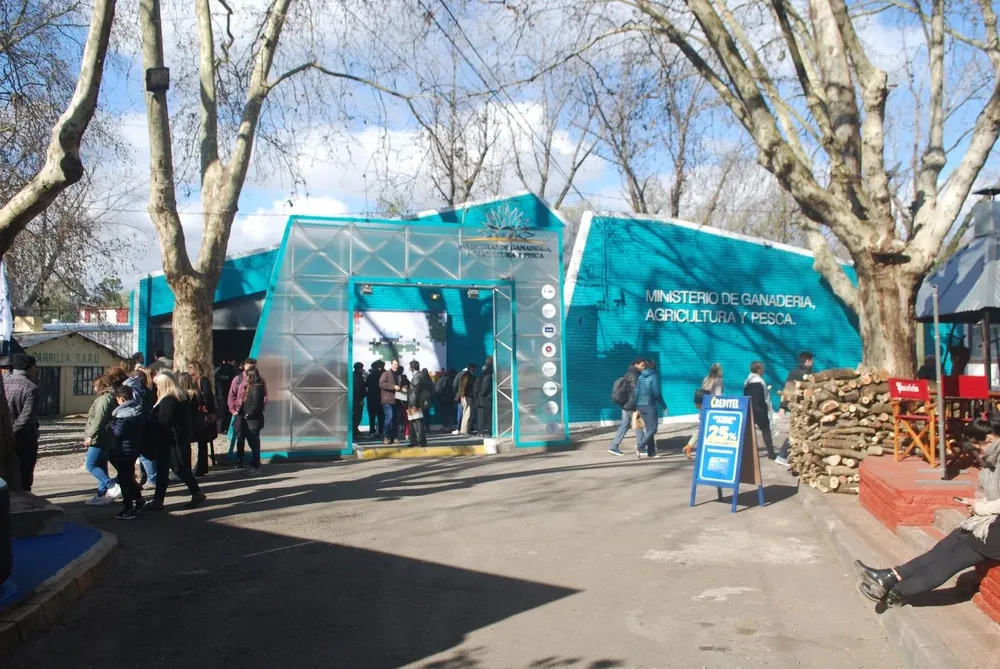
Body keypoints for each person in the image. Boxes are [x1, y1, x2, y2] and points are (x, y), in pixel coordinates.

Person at [856, 417, 1000, 608]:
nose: (977, 451)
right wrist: (977, 502)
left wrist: (981, 508)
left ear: (989, 439)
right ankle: (890, 576)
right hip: (989, 520)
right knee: (944, 547)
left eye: (977, 446)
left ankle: (899, 592)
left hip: (994, 530)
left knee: (952, 559)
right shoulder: (993, 461)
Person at [146, 371, 206, 511]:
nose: (156, 388)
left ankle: (196, 492)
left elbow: (164, 420)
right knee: (164, 469)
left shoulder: (169, 399)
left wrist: (151, 421)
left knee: (177, 468)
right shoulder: (180, 397)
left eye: (157, 385)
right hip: (173, 438)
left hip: (169, 439)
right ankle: (158, 499)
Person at [109, 386, 147, 519]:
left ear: (122, 399)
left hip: (124, 449)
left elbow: (118, 432)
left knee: (124, 479)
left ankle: (128, 508)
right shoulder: (138, 410)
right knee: (128, 477)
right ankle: (139, 499)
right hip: (134, 448)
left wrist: (111, 426)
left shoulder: (122, 414)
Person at [83, 375, 122, 505]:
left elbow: (98, 419)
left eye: (95, 386)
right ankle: (101, 493)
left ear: (101, 386)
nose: (94, 388)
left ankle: (111, 485)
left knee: (91, 464)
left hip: (100, 438)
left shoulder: (104, 399)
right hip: (107, 436)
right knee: (101, 464)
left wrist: (90, 436)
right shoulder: (111, 398)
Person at [775, 352, 816, 466]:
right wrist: (782, 407)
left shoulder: (796, 372)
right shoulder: (802, 374)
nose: (813, 363)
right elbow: (788, 389)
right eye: (812, 361)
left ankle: (792, 457)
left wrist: (783, 406)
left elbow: (787, 389)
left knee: (800, 432)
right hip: (800, 408)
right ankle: (782, 455)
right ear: (807, 361)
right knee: (796, 431)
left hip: (799, 407)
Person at [7, 354, 40, 492]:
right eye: (34, 366)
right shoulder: (31, 388)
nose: (36, 370)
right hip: (24, 437)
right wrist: (12, 432)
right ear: (28, 367)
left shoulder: (3, 382)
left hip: (3, 435)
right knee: (25, 469)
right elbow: (26, 417)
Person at [231, 367, 267, 476]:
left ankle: (255, 466)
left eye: (247, 375)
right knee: (253, 442)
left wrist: (247, 415)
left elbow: (255, 404)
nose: (245, 377)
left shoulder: (256, 387)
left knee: (254, 443)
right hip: (251, 419)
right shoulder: (253, 386)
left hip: (253, 420)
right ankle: (253, 465)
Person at [684, 363, 724, 460]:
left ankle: (689, 446)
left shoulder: (706, 379)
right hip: (713, 407)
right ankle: (692, 447)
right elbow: (718, 395)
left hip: (704, 406)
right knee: (714, 429)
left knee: (703, 429)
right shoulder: (718, 380)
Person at [608, 359, 645, 456]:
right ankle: (642, 447)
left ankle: (613, 446)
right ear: (636, 364)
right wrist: (636, 407)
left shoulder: (628, 374)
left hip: (625, 405)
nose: (643, 367)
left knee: (624, 426)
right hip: (632, 406)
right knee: (638, 425)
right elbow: (635, 394)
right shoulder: (635, 376)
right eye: (642, 365)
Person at [187, 361, 218, 475]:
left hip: (203, 413)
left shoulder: (202, 380)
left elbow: (208, 397)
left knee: (202, 441)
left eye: (191, 367)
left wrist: (211, 412)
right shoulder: (191, 380)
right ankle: (200, 466)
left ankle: (202, 467)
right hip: (196, 414)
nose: (189, 370)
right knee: (200, 440)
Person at [633, 358, 667, 459]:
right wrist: (664, 406)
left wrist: (636, 405)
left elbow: (636, 393)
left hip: (640, 405)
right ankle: (640, 446)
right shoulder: (654, 376)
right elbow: (656, 393)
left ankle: (651, 453)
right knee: (653, 428)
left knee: (649, 429)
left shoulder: (640, 377)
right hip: (649, 405)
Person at [744, 361, 776, 460]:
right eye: (762, 368)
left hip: (749, 409)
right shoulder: (759, 382)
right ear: (758, 369)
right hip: (760, 410)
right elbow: (760, 398)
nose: (763, 370)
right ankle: (771, 453)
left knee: (749, 433)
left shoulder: (747, 381)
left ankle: (748, 453)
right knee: (766, 431)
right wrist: (765, 408)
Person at [407, 360, 432, 447]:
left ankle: (420, 441)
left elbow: (416, 391)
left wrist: (414, 404)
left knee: (417, 422)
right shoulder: (420, 375)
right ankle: (414, 440)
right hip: (415, 402)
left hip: (415, 403)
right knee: (414, 422)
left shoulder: (417, 376)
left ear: (412, 367)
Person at [379, 359, 405, 444]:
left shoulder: (399, 375)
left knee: (395, 419)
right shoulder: (386, 374)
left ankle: (395, 437)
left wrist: (405, 387)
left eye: (397, 365)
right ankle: (386, 437)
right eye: (394, 364)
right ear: (391, 364)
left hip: (397, 400)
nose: (396, 366)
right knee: (389, 417)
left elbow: (404, 384)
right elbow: (381, 384)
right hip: (387, 400)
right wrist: (393, 386)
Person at [214, 358, 238, 436]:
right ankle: (224, 428)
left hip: (221, 394)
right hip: (226, 393)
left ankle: (220, 429)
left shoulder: (218, 371)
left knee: (223, 413)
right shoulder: (232, 370)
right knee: (225, 412)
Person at [454, 363, 478, 436]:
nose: (475, 369)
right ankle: (465, 431)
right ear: (471, 368)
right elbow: (463, 385)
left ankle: (464, 429)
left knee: (467, 413)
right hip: (466, 396)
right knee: (467, 414)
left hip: (466, 396)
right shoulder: (467, 375)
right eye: (474, 368)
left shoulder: (467, 374)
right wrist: (462, 395)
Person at [475, 358, 494, 438]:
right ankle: (488, 431)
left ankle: (481, 431)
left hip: (484, 397)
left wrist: (481, 394)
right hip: (487, 396)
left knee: (482, 415)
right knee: (488, 415)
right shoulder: (491, 373)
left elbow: (484, 386)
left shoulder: (486, 375)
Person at [366, 361, 385, 439]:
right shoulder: (382, 375)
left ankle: (372, 431)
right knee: (381, 416)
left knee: (372, 416)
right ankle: (380, 431)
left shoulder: (369, 376)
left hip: (371, 398)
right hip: (380, 398)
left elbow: (366, 385)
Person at [352, 362, 367, 440]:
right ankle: (354, 432)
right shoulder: (358, 377)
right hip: (357, 399)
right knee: (357, 416)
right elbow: (359, 389)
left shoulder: (353, 375)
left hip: (353, 399)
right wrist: (361, 398)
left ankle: (354, 431)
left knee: (354, 416)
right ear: (359, 368)